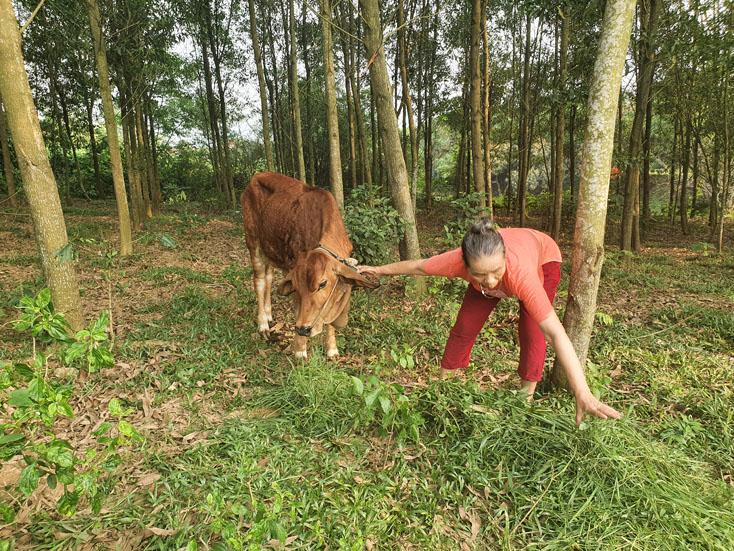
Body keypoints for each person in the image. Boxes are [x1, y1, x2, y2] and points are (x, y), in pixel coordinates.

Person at [358, 219, 621, 425]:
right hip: (495, 261)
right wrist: (376, 270)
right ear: (465, 266)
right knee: (464, 327)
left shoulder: (521, 275)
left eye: (496, 272)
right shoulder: (460, 263)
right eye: (481, 274)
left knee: (532, 330)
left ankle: (524, 398)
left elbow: (555, 333)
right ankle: (444, 386)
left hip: (543, 255)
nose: (492, 281)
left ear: (505, 259)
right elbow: (417, 267)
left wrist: (583, 392)